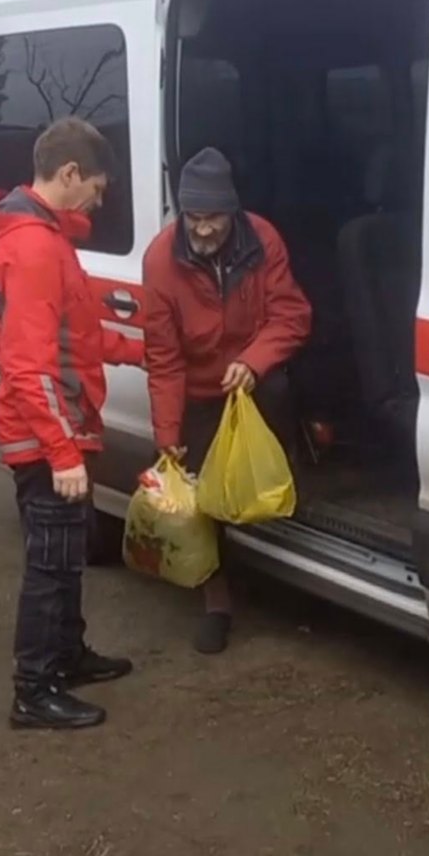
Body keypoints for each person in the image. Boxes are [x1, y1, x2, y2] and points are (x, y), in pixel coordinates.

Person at [0, 117, 145, 731]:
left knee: (67, 555)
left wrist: (141, 351)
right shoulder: (33, 248)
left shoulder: (45, 239)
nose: (97, 202)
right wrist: (63, 452)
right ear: (70, 172)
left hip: (58, 429)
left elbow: (77, 335)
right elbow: (29, 366)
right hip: (46, 437)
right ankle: (34, 687)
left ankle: (67, 655)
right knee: (50, 566)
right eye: (96, 189)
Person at [143, 147, 312, 653]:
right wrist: (167, 436)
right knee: (200, 500)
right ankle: (216, 603)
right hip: (197, 391)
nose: (202, 229)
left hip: (250, 382)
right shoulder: (160, 260)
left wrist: (254, 361)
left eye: (212, 217)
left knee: (275, 422)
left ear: (232, 212)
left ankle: (287, 561)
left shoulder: (263, 240)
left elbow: (291, 314)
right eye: (193, 217)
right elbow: (163, 358)